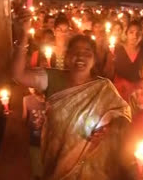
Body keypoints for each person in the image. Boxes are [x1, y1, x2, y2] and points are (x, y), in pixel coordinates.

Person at [13, 32, 131, 180]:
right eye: (75, 52)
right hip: (57, 162)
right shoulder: (51, 78)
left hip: (93, 166)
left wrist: (110, 129)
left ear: (94, 60)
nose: (80, 56)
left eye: (87, 52)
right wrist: (23, 36)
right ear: (67, 57)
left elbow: (124, 115)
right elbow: (18, 76)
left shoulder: (104, 87)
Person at [114, 21, 143, 102]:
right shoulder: (118, 49)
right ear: (126, 33)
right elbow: (112, 71)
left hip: (138, 92)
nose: (135, 36)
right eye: (131, 32)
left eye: (138, 33)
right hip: (120, 90)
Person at [22, 88, 46, 180]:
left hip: (36, 137)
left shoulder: (26, 99)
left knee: (37, 160)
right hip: (46, 137)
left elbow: (24, 118)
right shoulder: (52, 97)